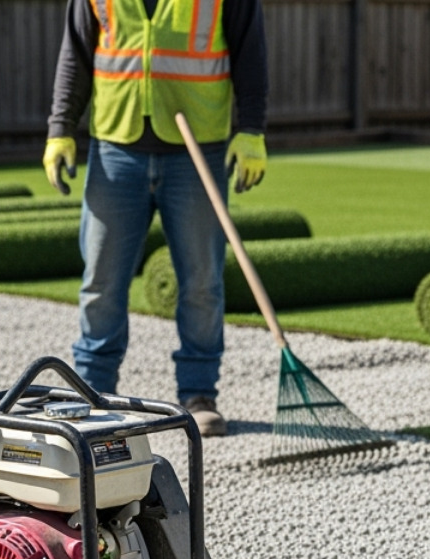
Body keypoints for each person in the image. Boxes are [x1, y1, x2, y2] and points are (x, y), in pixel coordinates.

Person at [45, 0, 269, 437]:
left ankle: (199, 394)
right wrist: (60, 129)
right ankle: (92, 392)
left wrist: (252, 129)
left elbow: (250, 54)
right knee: (102, 280)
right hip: (116, 148)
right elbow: (76, 53)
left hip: (197, 148)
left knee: (203, 281)